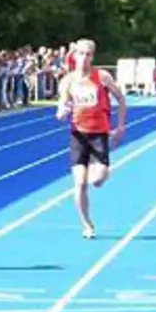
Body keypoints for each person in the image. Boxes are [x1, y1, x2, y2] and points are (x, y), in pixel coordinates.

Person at [55, 39, 127, 239]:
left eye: (88, 54)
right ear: (75, 55)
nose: (84, 58)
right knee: (79, 184)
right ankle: (87, 224)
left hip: (99, 134)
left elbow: (121, 100)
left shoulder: (102, 77)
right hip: (78, 135)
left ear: (92, 57)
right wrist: (62, 112)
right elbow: (61, 107)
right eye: (81, 54)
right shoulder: (68, 81)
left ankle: (99, 171)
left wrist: (120, 126)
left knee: (97, 180)